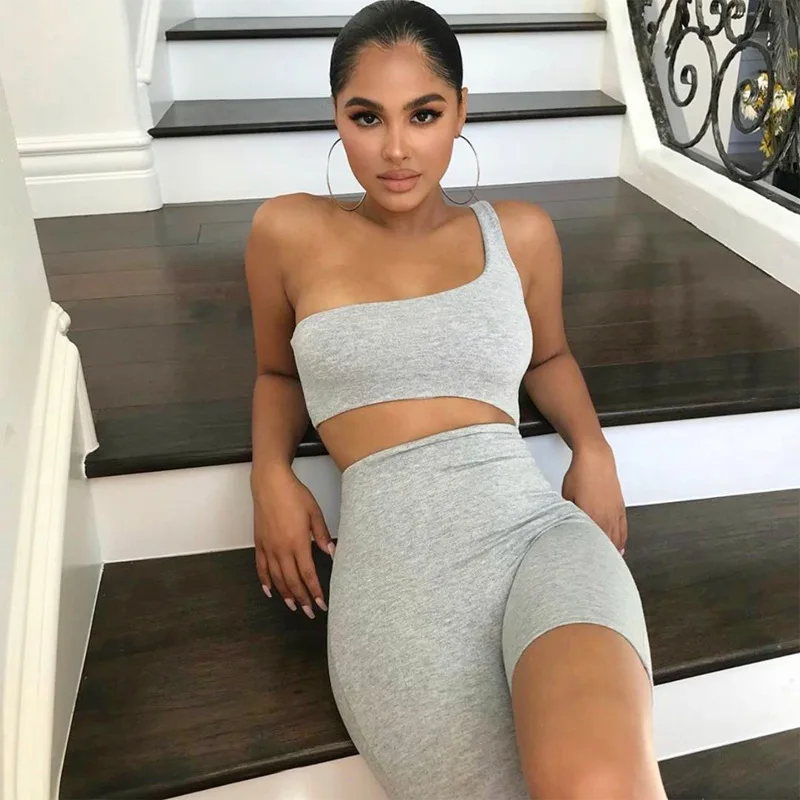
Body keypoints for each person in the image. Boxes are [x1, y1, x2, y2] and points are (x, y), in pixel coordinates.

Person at [245, 1, 667, 797]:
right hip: (399, 576)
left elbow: (549, 354)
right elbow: (277, 374)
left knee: (600, 780)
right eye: (366, 117)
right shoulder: (287, 233)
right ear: (336, 116)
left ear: (461, 111)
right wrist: (269, 471)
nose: (396, 149)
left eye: (424, 114)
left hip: (535, 539)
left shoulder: (521, 233)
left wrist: (593, 448)